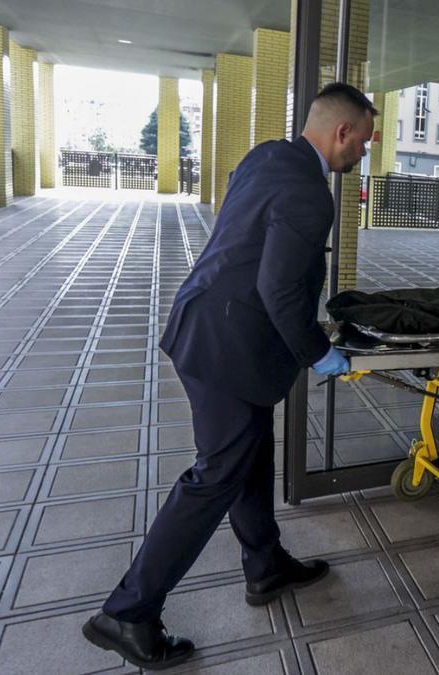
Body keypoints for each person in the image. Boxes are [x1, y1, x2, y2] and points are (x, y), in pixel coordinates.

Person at [81, 83, 376, 670]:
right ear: (341, 132)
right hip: (228, 348)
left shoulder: (268, 155)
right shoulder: (312, 193)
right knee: (215, 476)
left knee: (251, 454)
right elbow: (279, 288)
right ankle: (129, 611)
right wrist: (318, 352)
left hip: (208, 325)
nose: (363, 154)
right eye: (364, 143)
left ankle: (264, 565)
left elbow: (247, 249)